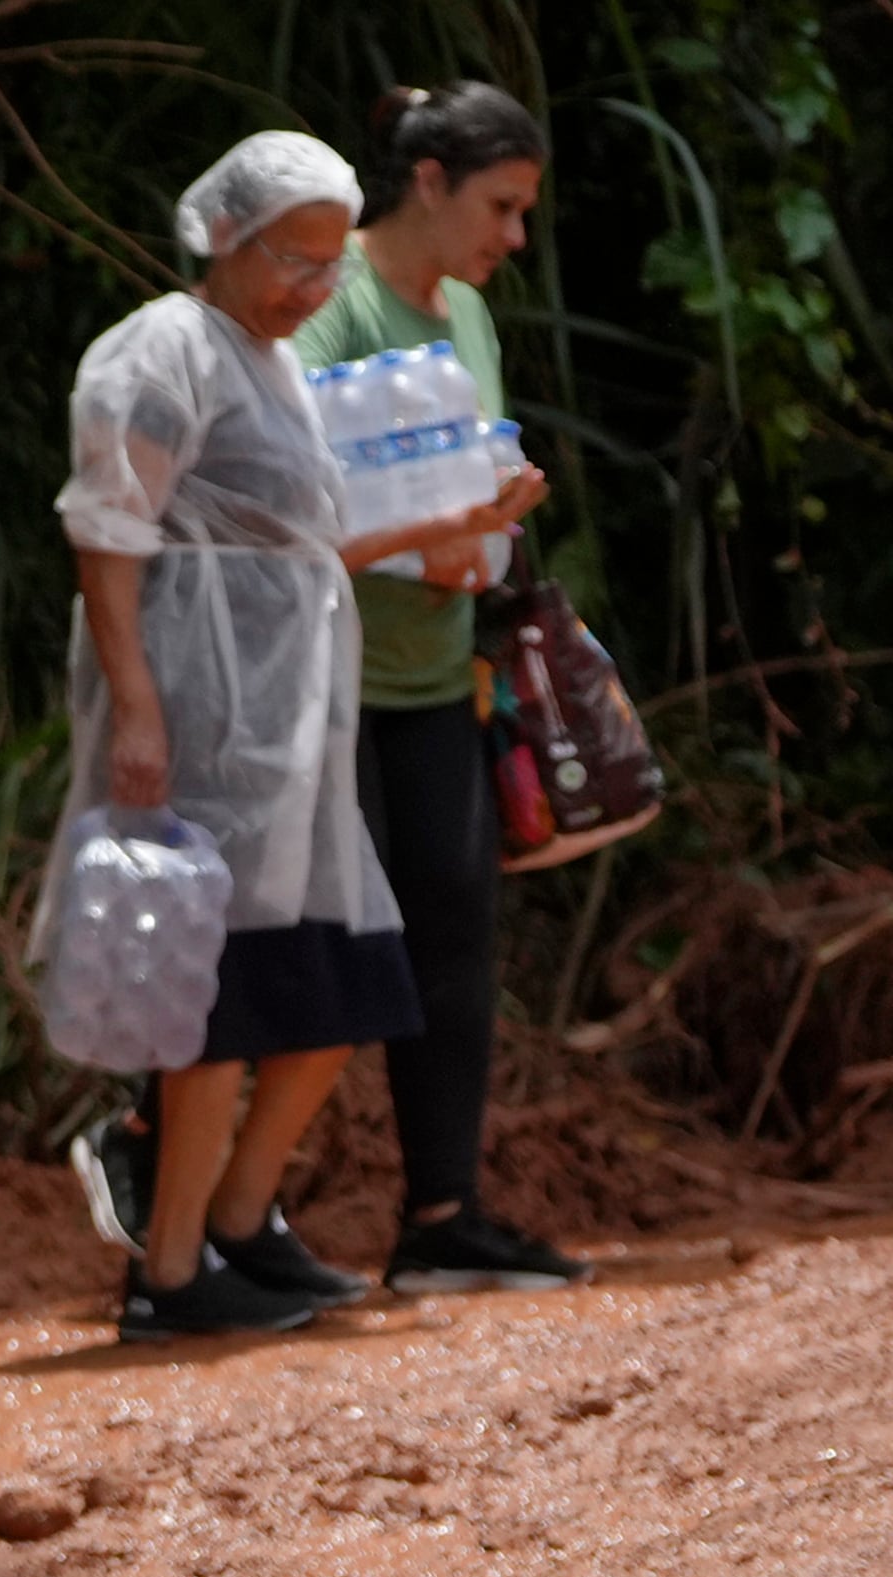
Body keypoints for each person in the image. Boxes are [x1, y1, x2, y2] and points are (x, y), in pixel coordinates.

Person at [45, 133, 532, 1342]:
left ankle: (240, 1221)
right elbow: (108, 529)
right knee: (220, 998)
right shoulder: (164, 344)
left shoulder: (272, 365)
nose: (313, 292)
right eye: (292, 262)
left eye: (327, 267)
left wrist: (459, 519)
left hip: (291, 716)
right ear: (222, 237)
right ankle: (168, 1270)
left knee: (336, 983)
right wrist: (137, 703)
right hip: (200, 701)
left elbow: (306, 541)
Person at [291, 83, 585, 1292]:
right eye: (499, 206)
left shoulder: (463, 309)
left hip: (430, 666)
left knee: (454, 934)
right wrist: (429, 534)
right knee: (310, 939)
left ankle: (440, 1213)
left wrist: (499, 519)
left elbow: (476, 456)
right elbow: (289, 478)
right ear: (427, 182)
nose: (513, 238)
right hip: (323, 669)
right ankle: (196, 1205)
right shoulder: (325, 304)